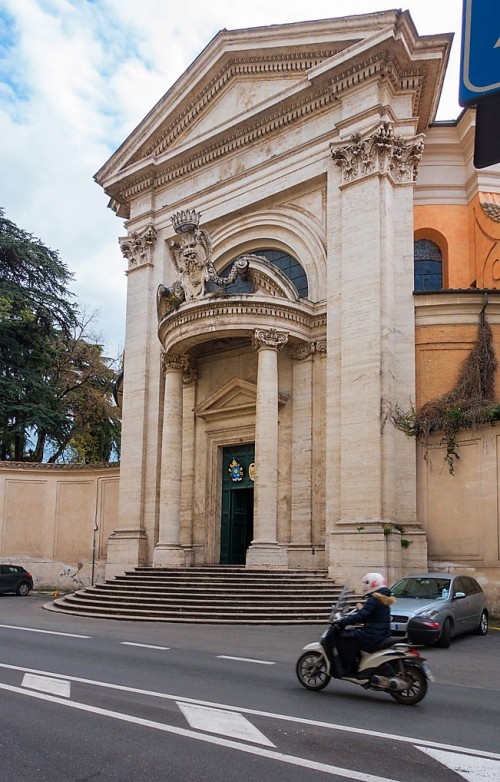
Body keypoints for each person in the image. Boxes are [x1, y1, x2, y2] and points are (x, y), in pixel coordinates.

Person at [335, 572, 396, 675]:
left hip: (372, 634)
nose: (365, 586)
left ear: (372, 584)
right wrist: (362, 609)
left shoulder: (373, 600)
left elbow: (361, 616)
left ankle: (350, 668)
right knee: (354, 634)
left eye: (366, 583)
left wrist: (343, 622)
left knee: (346, 638)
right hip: (382, 633)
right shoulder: (383, 598)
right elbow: (373, 615)